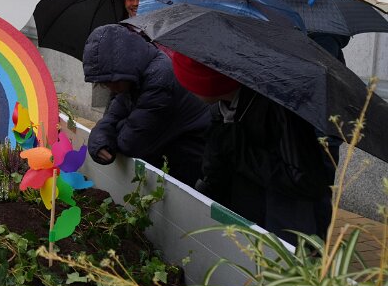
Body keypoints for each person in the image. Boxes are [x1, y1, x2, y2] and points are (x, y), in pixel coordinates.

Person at [170, 51, 331, 243]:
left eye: (189, 84)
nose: (187, 91)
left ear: (207, 85)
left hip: (285, 231)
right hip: (251, 222)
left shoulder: (281, 108)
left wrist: (241, 152)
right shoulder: (223, 109)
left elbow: (306, 180)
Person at [82, 24, 210, 186]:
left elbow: (130, 143)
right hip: (168, 160)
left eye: (111, 81)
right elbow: (112, 116)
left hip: (189, 165)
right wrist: (100, 138)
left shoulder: (159, 80)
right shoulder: (131, 77)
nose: (110, 88)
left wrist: (111, 132)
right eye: (105, 83)